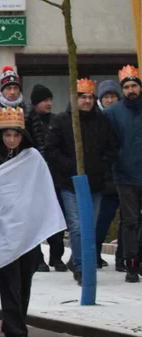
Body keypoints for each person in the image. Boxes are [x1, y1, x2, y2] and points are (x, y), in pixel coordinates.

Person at [0, 108, 65, 337]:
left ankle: (15, 321)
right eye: (6, 134)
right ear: (0, 136)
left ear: (22, 135)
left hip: (27, 228)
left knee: (24, 278)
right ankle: (16, 330)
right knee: (7, 279)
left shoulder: (34, 158)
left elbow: (43, 191)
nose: (11, 139)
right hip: (1, 227)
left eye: (15, 134)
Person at [43, 79, 117, 284]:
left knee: (89, 227)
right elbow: (51, 150)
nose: (86, 101)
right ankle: (81, 266)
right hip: (70, 183)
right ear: (74, 99)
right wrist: (71, 167)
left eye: (89, 97)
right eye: (82, 97)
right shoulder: (61, 121)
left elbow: (111, 149)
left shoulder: (103, 122)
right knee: (76, 226)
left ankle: (83, 261)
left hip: (95, 184)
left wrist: (99, 166)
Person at [105, 66, 142, 282]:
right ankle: (131, 263)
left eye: (134, 85)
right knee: (130, 221)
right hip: (125, 175)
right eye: (126, 87)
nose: (130, 90)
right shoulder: (112, 113)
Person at [26, 83, 59, 271]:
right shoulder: (30, 119)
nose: (49, 103)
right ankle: (38, 258)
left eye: (50, 99)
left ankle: (56, 256)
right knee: (37, 218)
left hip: (55, 175)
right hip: (36, 177)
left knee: (55, 217)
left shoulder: (56, 120)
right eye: (45, 100)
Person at [96, 80, 123, 270]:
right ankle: (94, 254)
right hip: (105, 177)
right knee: (102, 219)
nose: (110, 100)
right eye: (106, 97)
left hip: (126, 175)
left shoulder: (124, 116)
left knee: (129, 220)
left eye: (113, 96)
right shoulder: (98, 119)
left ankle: (124, 256)